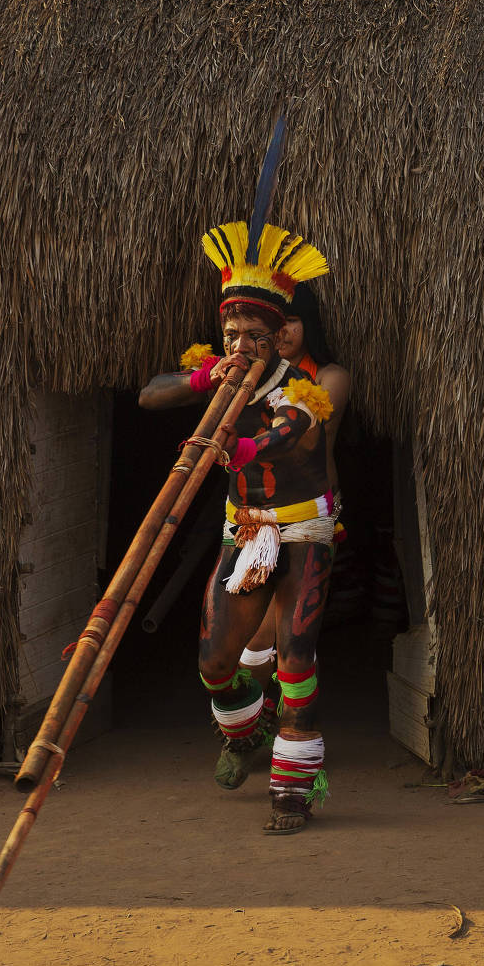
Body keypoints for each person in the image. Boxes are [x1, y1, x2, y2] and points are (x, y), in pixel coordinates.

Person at [152, 218, 350, 834]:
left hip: (304, 533)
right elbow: (148, 395)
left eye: (254, 336)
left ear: (278, 339)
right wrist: (199, 380)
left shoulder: (303, 390)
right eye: (231, 333)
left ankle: (292, 792)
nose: (240, 344)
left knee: (294, 654)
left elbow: (289, 436)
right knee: (216, 660)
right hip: (244, 532)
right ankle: (244, 730)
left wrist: (234, 449)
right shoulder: (218, 373)